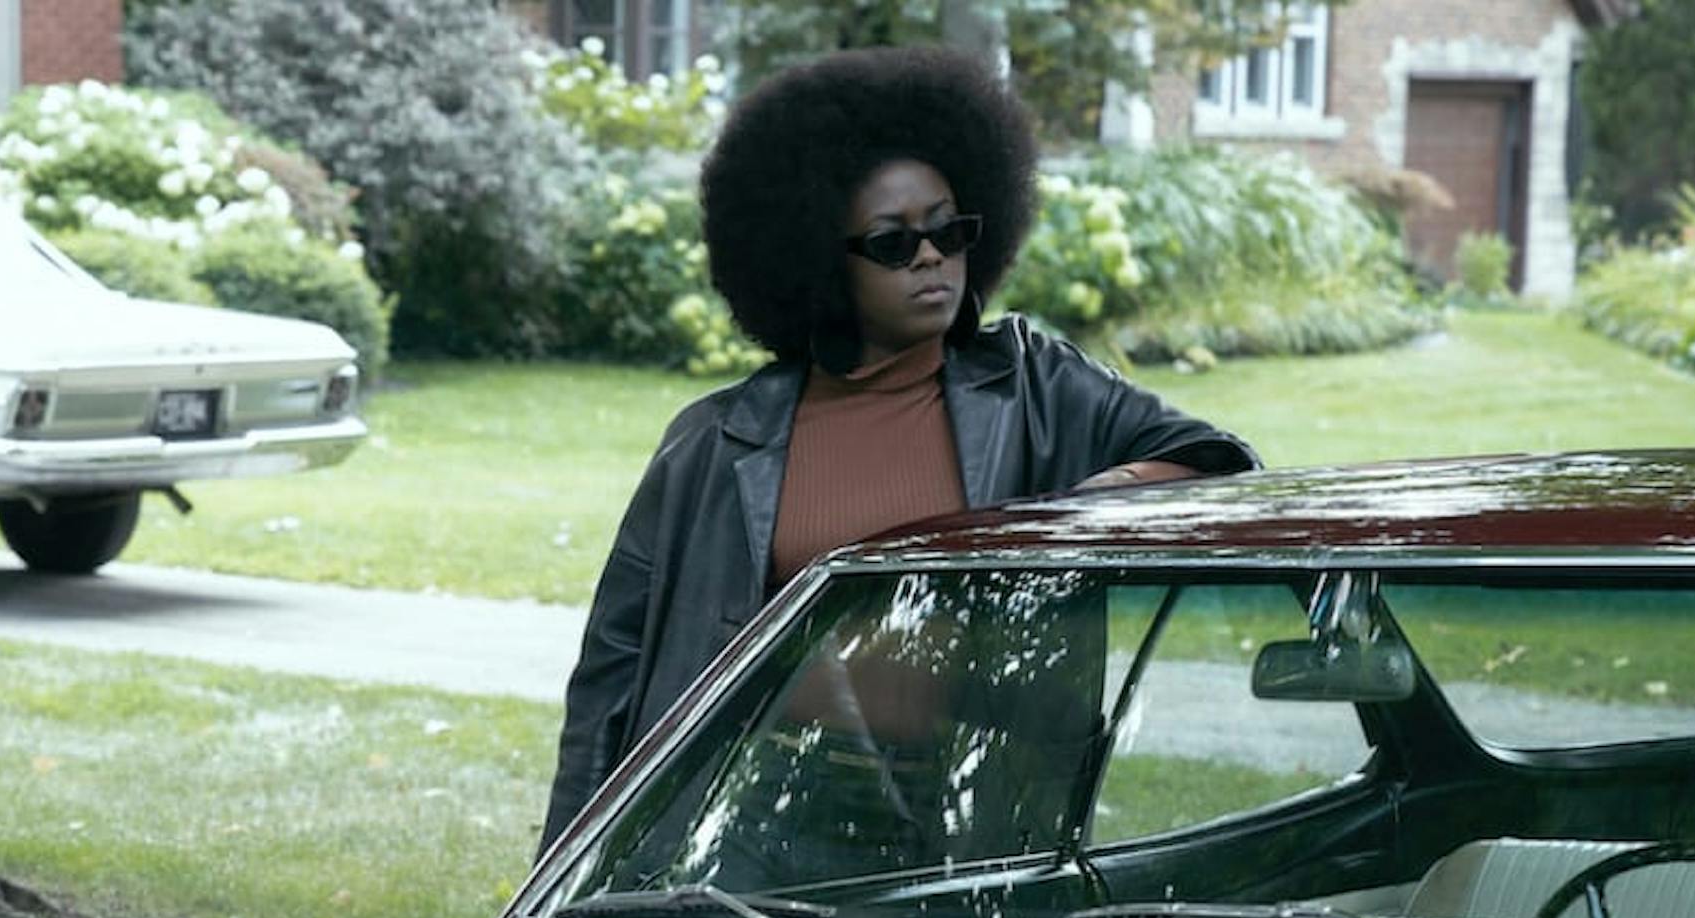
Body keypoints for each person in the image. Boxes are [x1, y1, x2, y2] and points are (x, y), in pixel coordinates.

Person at [539, 45, 1258, 850]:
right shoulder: (716, 443)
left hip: (967, 808)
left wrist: (1087, 505)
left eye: (949, 231)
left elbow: (1218, 461)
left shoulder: (1036, 389)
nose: (930, 256)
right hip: (757, 814)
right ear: (818, 259)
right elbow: (609, 680)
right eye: (892, 243)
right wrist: (559, 876)